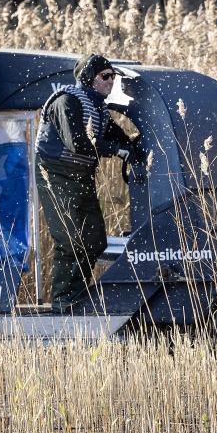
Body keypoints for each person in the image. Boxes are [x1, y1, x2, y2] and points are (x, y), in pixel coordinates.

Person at [35, 53, 137, 312]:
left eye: (113, 77)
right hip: (56, 174)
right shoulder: (67, 101)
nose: (111, 81)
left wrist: (136, 147)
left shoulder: (100, 109)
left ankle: (76, 297)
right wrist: (116, 150)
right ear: (88, 79)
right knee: (70, 239)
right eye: (106, 76)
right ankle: (62, 302)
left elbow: (121, 138)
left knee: (94, 241)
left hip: (81, 176)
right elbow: (78, 143)